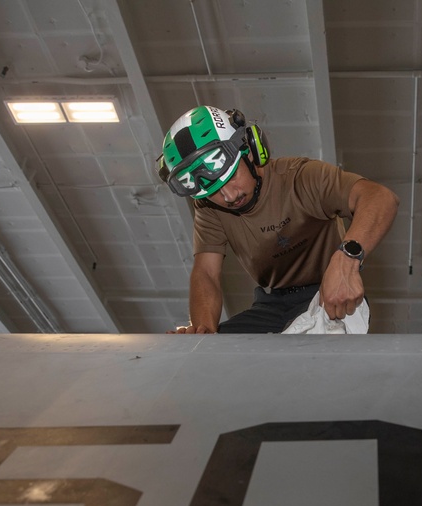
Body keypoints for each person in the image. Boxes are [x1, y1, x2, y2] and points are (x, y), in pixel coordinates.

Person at [158, 105, 398, 334]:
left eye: (230, 176)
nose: (229, 196)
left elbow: (380, 197)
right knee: (214, 355)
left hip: (328, 294)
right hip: (271, 305)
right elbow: (206, 273)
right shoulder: (209, 209)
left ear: (250, 149)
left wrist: (347, 260)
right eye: (214, 191)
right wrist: (203, 333)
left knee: (323, 350)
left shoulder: (300, 177)